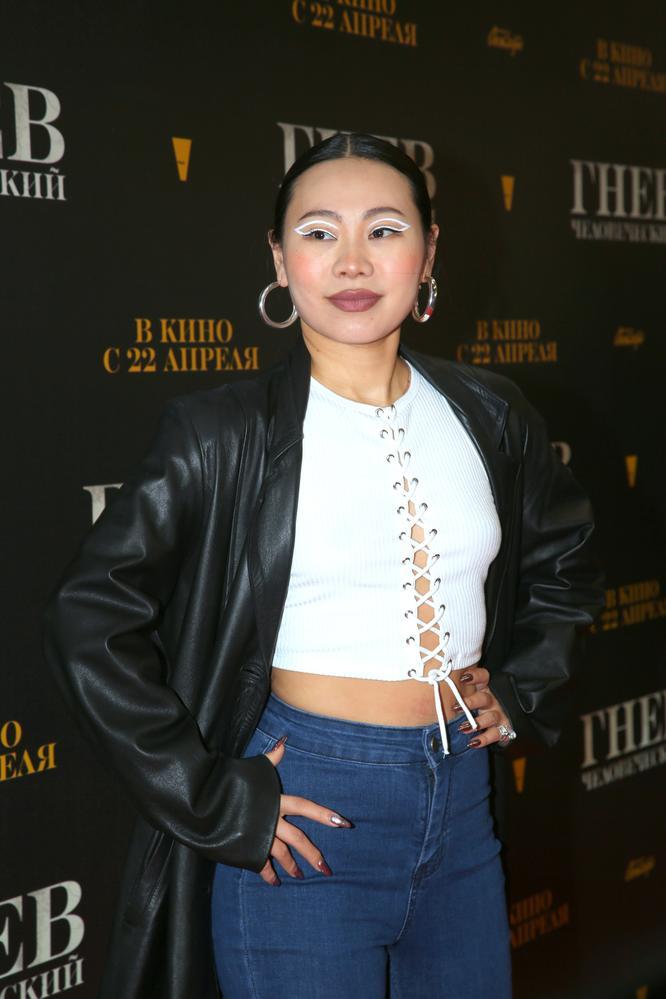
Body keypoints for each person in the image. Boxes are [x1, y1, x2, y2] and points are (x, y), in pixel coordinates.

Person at [42, 131, 604, 999]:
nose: (352, 260)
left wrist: (524, 687)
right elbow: (88, 616)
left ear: (428, 253)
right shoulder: (220, 431)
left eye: (384, 229)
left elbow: (566, 560)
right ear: (279, 258)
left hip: (463, 804)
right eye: (317, 232)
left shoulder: (491, 412)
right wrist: (213, 797)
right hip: (305, 809)